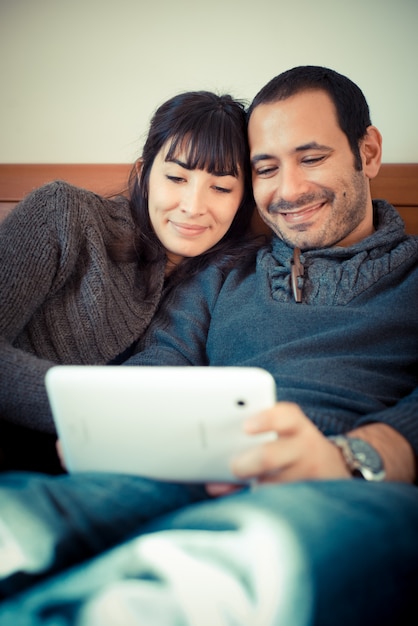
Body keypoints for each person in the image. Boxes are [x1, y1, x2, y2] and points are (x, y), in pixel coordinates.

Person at [0, 66, 418, 626]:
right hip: (176, 472)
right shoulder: (224, 272)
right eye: (266, 168)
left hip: (342, 490)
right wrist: (105, 425)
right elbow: (160, 361)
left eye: (312, 158)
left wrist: (353, 456)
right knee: (28, 515)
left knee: (241, 561)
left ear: (366, 152)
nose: (288, 190)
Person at [0, 90, 256, 473]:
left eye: (220, 187)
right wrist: (94, 413)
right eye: (175, 177)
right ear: (143, 174)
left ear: (243, 199)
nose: (192, 206)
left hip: (95, 484)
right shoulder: (63, 214)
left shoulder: (226, 280)